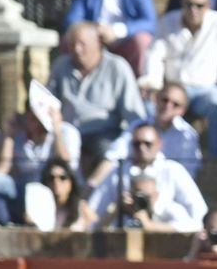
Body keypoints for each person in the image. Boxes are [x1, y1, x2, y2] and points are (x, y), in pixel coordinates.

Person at [144, 0, 217, 160]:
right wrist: (154, 83)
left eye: (199, 6)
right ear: (182, 4)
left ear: (208, 5)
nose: (194, 10)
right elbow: (154, 56)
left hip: (205, 91)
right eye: (189, 5)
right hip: (173, 88)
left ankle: (216, 159)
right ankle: (149, 156)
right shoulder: (167, 22)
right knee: (149, 106)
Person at [50, 22, 147, 163]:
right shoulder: (60, 66)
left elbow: (133, 113)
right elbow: (48, 101)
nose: (77, 50)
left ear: (98, 43)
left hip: (103, 133)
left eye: (82, 44)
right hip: (67, 131)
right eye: (72, 45)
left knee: (107, 151)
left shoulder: (117, 67)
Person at [88, 122, 206, 227]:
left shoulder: (173, 170)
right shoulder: (117, 172)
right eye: (137, 144)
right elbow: (94, 210)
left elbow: (198, 214)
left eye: (147, 143)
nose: (142, 148)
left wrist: (152, 220)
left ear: (159, 144)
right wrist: (118, 208)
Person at [64, 0, 157, 76]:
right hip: (95, 38)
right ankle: (73, 80)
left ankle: (140, 85)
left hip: (126, 39)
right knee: (70, 39)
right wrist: (93, 31)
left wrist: (117, 31)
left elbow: (150, 22)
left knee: (142, 41)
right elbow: (73, 19)